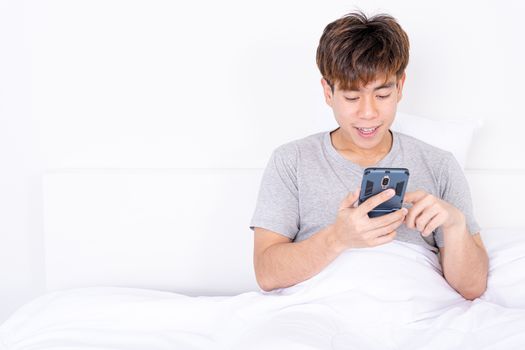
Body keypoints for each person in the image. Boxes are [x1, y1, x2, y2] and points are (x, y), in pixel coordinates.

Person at [248, 11, 488, 300]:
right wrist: (338, 238)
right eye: (351, 97)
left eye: (382, 95)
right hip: (318, 308)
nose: (368, 113)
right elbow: (267, 274)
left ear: (399, 87)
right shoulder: (291, 161)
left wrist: (455, 225)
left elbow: (473, 287)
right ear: (328, 91)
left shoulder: (440, 165)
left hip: (413, 308)